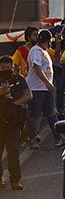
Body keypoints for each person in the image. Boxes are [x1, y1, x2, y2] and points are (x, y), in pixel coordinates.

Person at [26, 30, 65, 149]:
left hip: (45, 88)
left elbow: (57, 55)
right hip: (36, 88)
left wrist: (58, 43)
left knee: (51, 114)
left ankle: (58, 138)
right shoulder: (36, 51)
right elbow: (37, 68)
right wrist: (47, 83)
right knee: (34, 115)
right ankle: (31, 139)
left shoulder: (44, 51)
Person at [0, 55, 32, 190]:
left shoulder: (19, 79)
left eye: (9, 67)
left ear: (13, 67)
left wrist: (15, 103)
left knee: (13, 151)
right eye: (3, 68)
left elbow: (29, 95)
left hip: (13, 122)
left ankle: (15, 180)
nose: (6, 70)